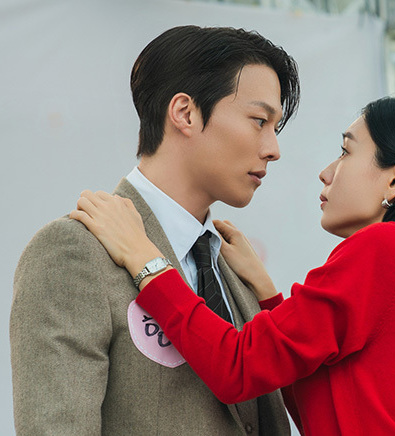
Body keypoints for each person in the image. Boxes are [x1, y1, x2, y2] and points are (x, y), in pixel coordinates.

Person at [72, 97, 395, 436]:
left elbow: (237, 368)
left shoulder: (387, 247)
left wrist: (144, 258)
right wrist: (268, 296)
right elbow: (324, 402)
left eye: (346, 151)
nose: (327, 171)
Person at [10, 25, 300, 435]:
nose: (273, 149)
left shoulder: (236, 268)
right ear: (185, 113)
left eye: (275, 128)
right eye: (259, 121)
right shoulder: (74, 252)